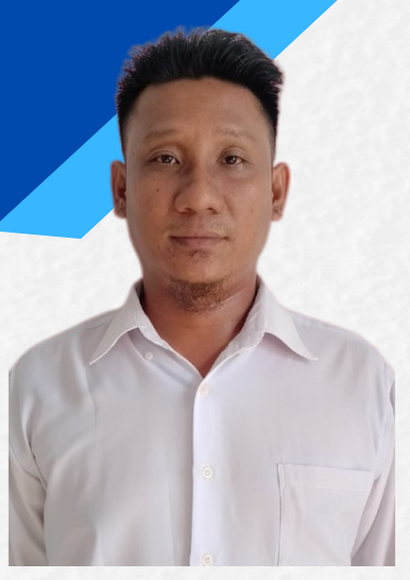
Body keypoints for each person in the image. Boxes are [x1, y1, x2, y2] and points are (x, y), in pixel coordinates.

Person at [9, 29, 395, 567]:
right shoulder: (36, 388)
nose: (199, 197)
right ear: (121, 189)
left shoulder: (364, 385)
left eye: (232, 159)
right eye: (166, 158)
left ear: (276, 191)